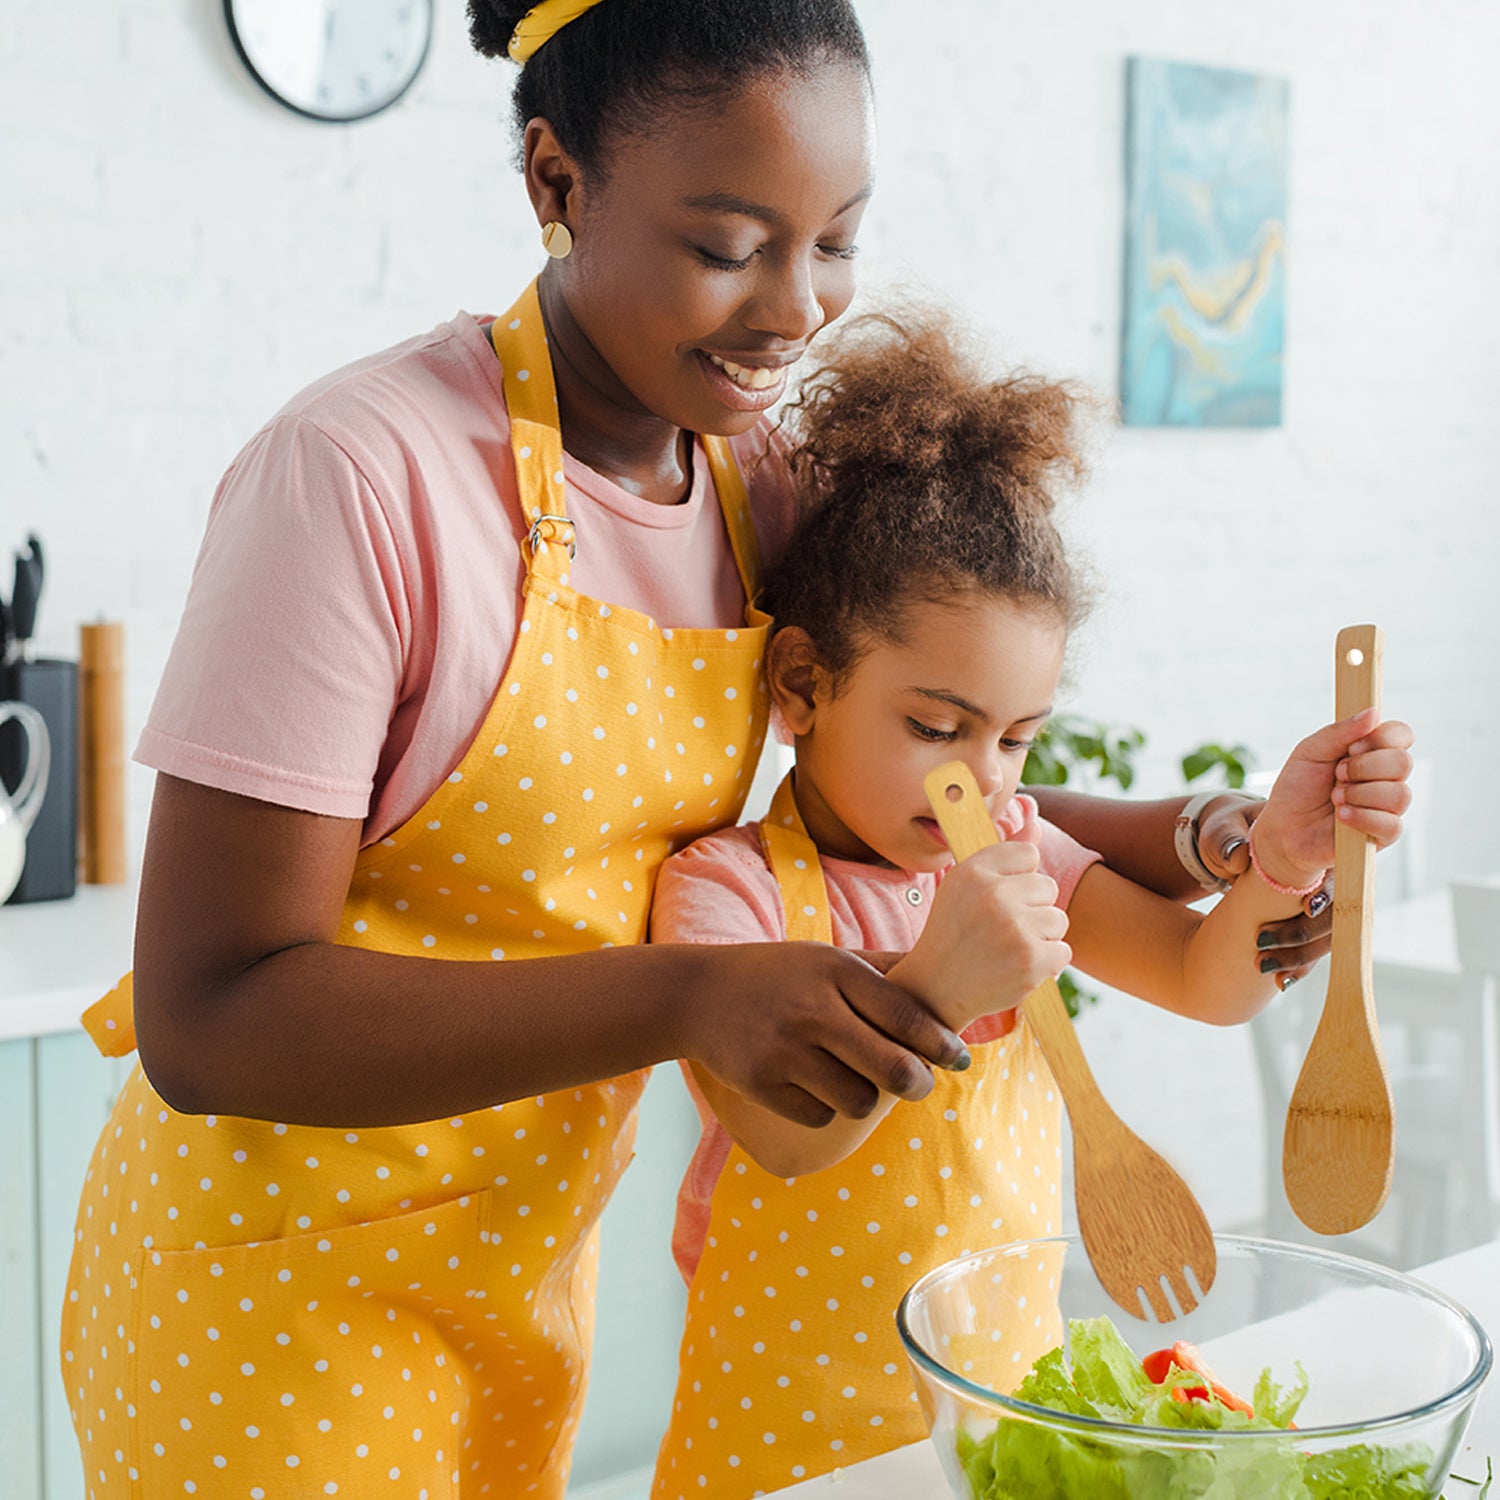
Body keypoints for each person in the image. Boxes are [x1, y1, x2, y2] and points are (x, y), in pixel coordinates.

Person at [59, 3, 1326, 1496]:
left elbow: (921, 767)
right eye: (729, 244)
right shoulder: (356, 476)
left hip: (530, 1269)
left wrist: (1203, 837)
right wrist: (691, 993)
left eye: (834, 240)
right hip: (270, 1303)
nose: (796, 311)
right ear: (558, 182)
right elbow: (213, 1017)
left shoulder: (756, 485)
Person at [648, 309, 1414, 1498]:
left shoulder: (1010, 844)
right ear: (804, 683)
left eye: (1016, 738)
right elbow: (789, 1140)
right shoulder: (722, 894)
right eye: (935, 728)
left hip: (998, 1420)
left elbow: (1202, 980)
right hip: (784, 1449)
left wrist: (1286, 850)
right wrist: (936, 986)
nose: (985, 778)